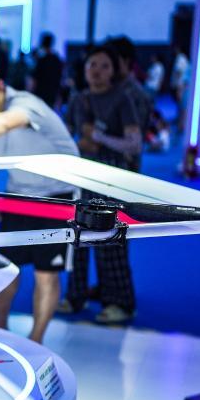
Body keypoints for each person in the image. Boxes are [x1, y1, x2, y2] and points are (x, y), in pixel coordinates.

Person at [0, 66, 79, 344]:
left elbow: (7, 121)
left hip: (59, 196)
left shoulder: (26, 104)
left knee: (46, 274)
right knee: (8, 269)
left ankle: (36, 342)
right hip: (18, 194)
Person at [60, 45, 141, 324]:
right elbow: (65, 135)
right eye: (92, 64)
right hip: (80, 176)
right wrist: (78, 144)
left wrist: (98, 137)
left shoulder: (123, 99)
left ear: (114, 70)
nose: (97, 71)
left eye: (104, 65)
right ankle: (76, 295)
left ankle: (120, 302)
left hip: (112, 179)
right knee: (76, 237)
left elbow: (134, 144)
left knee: (111, 239)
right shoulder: (78, 99)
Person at [106, 36, 151, 172]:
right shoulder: (108, 89)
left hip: (123, 167)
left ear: (126, 61)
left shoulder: (136, 95)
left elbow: (134, 142)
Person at [30, 32, 63, 108]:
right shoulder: (57, 60)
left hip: (40, 95)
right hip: (52, 94)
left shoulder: (41, 60)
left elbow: (34, 80)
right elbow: (60, 79)